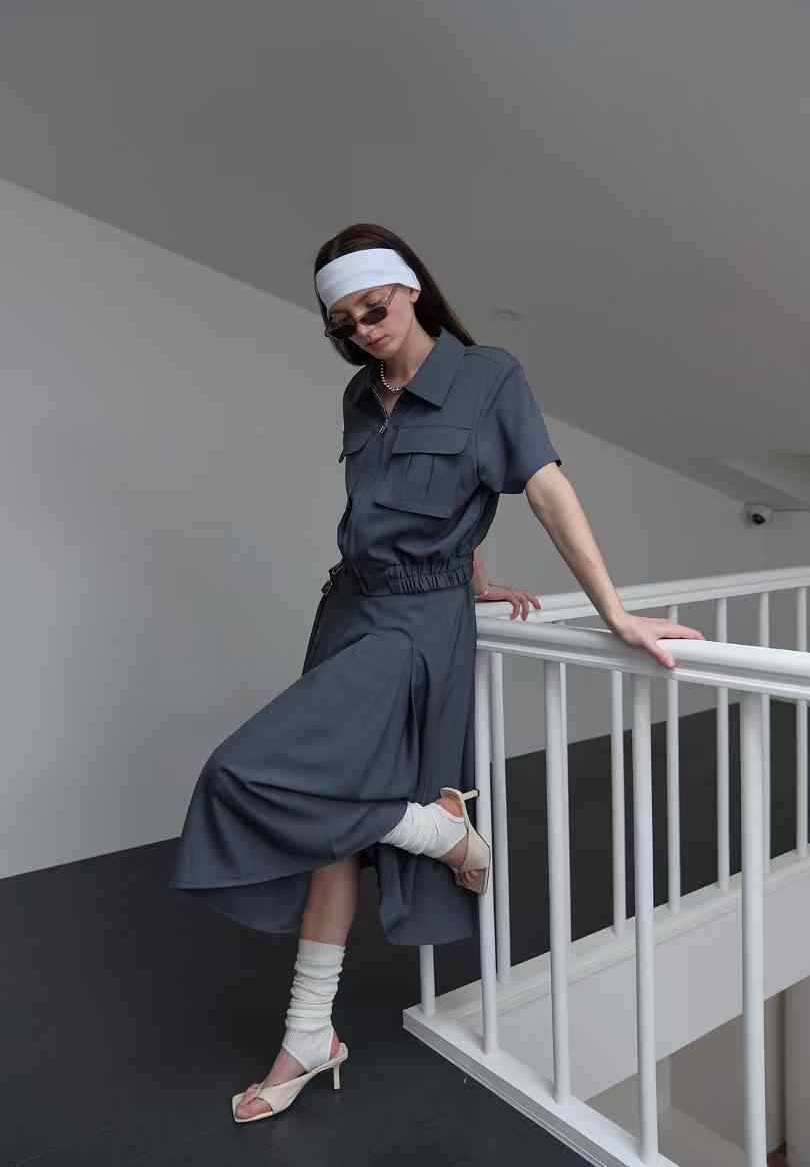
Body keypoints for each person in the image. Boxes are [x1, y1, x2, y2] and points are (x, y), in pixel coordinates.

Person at [168, 223, 705, 1123]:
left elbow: (540, 486)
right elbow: (398, 502)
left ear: (410, 288)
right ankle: (310, 1032)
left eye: (373, 310)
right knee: (332, 837)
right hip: (346, 613)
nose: (362, 331)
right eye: (343, 324)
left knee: (245, 773)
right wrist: (479, 573)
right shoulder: (360, 394)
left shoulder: (488, 375)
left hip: (414, 631)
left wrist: (613, 611)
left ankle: (437, 831)